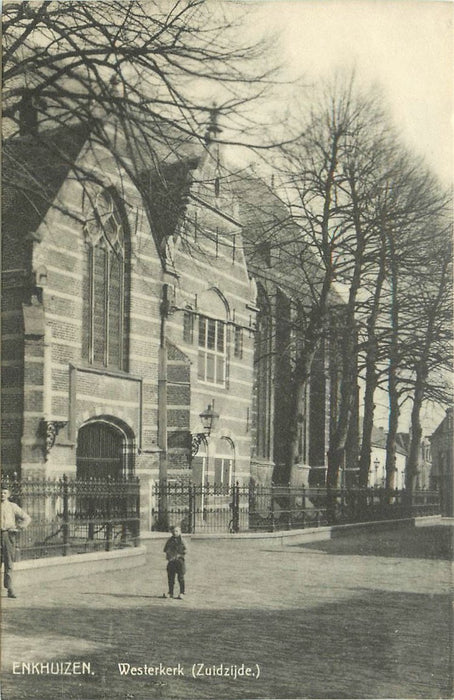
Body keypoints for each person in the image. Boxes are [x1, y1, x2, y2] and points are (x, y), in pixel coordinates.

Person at [1, 485, 31, 599]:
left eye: (4, 493)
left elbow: (27, 518)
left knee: (9, 562)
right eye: (1, 493)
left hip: (8, 536)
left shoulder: (13, 506)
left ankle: (10, 588)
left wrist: (18, 527)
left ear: (8, 494)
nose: (2, 495)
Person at [163, 525, 186, 600]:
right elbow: (166, 549)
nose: (175, 533)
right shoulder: (169, 540)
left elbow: (185, 550)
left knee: (180, 577)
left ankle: (182, 592)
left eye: (176, 531)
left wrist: (179, 555)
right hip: (172, 561)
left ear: (180, 532)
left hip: (179, 561)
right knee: (171, 577)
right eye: (173, 531)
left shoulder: (182, 541)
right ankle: (170, 592)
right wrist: (169, 556)